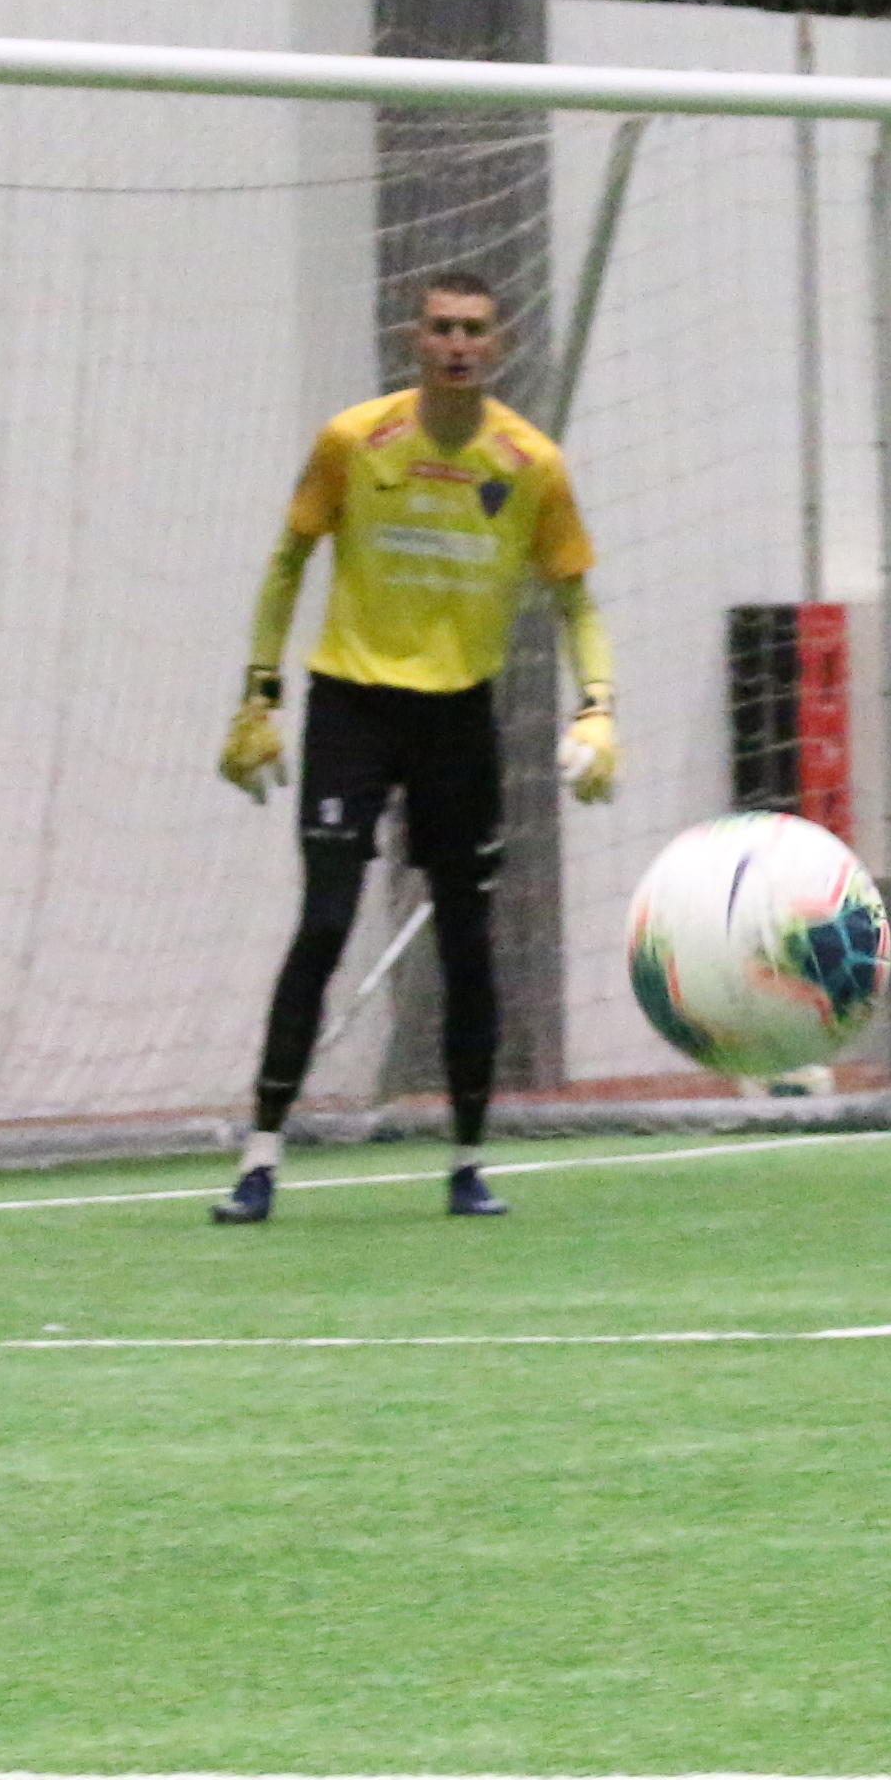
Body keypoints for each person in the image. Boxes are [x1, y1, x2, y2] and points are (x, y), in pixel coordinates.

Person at [212, 271, 621, 1225]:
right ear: (416, 338)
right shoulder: (353, 441)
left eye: (474, 329)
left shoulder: (531, 464)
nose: (457, 345)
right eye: (441, 327)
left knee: (468, 939)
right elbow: (287, 563)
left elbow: (576, 602)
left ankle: (469, 1161)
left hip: (458, 719)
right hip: (351, 708)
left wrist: (598, 709)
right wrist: (258, 696)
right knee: (323, 924)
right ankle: (260, 1158)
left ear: (498, 343)